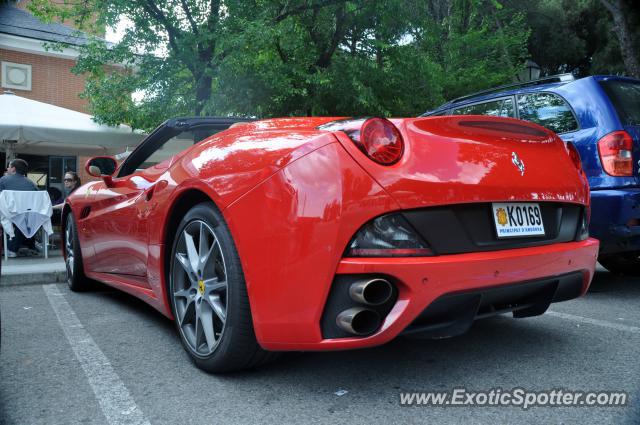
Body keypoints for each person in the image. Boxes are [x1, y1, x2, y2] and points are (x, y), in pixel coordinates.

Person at [0, 159, 39, 257]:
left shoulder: (3, 180)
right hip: (31, 216)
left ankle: (11, 248)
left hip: (9, 214)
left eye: (9, 166)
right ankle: (29, 246)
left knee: (15, 219)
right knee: (23, 220)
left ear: (13, 169)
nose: (7, 169)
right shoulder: (32, 183)